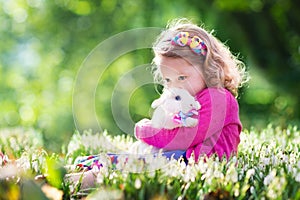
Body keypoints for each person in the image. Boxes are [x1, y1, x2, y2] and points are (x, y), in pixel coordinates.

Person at [134, 18, 248, 162]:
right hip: (184, 156)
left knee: (131, 162)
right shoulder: (186, 100)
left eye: (182, 78)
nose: (175, 87)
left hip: (200, 160)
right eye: (168, 80)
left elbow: (182, 138)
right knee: (132, 157)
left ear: (207, 69)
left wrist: (144, 130)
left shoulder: (219, 98)